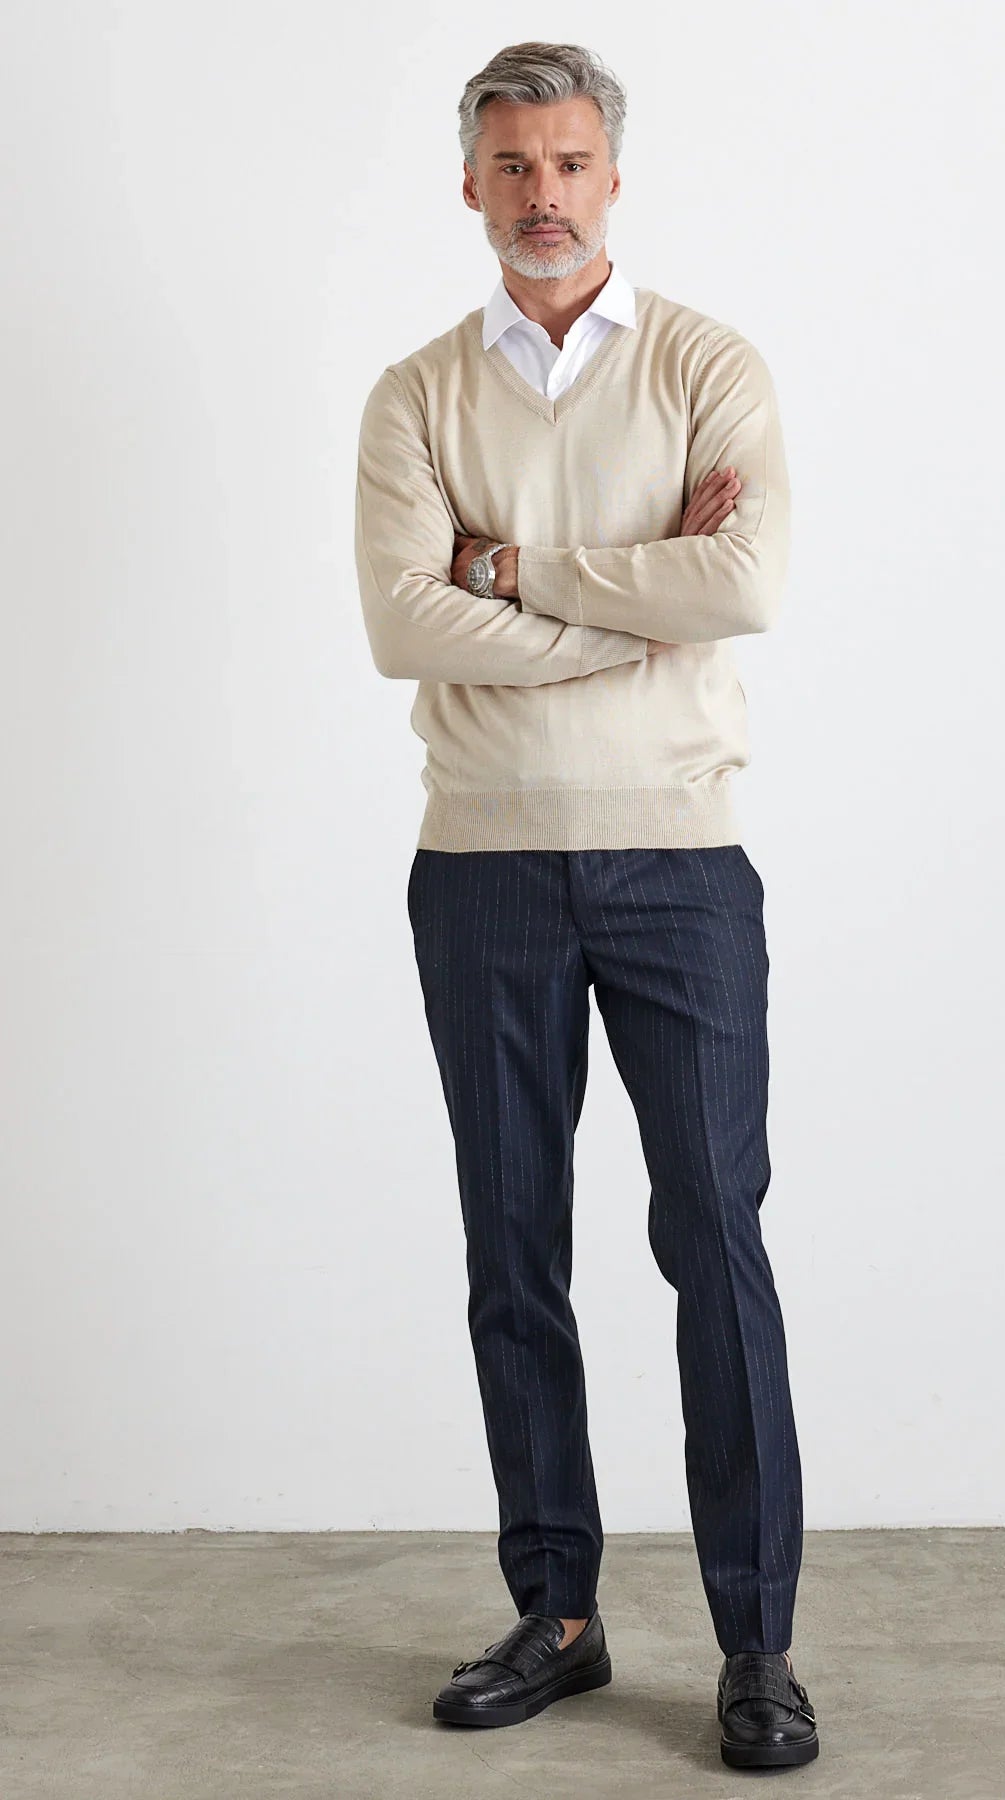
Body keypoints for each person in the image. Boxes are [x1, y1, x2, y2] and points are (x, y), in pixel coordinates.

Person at [353, 39, 818, 1773]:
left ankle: (756, 1644)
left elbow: (743, 580)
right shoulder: (416, 398)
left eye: (568, 163)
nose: (541, 195)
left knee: (716, 1239)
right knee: (512, 1248)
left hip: (677, 860)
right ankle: (555, 1615)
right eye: (511, 166)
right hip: (480, 865)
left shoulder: (707, 366)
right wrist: (637, 609)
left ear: (613, 176)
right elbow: (404, 623)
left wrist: (514, 571)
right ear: (469, 184)